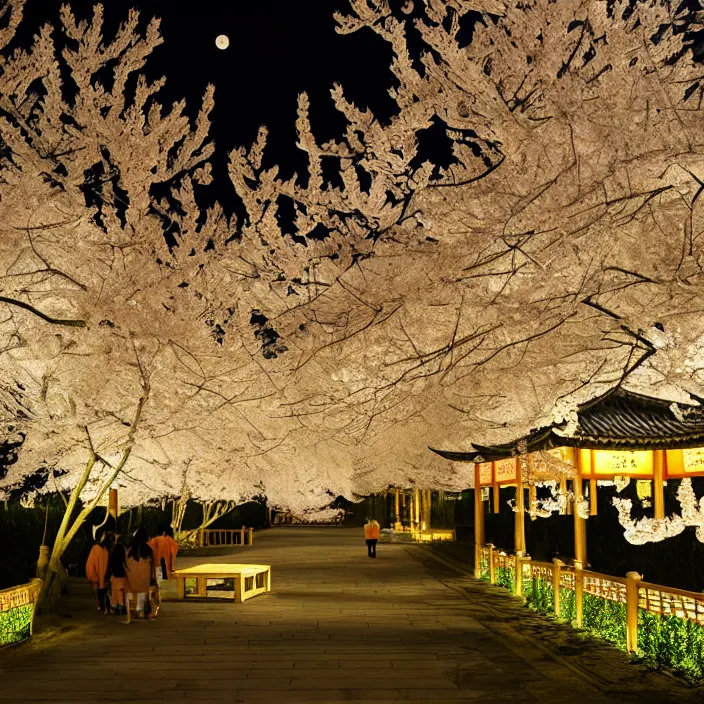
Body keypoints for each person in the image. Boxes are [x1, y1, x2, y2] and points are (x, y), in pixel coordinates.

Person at [125, 526, 156, 621]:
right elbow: (152, 565)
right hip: (144, 580)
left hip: (131, 580)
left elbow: (125, 563)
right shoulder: (148, 550)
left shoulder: (129, 550)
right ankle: (140, 611)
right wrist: (153, 577)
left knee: (133, 590)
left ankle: (132, 610)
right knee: (142, 591)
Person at [86, 529, 112, 613]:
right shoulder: (110, 549)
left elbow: (90, 564)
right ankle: (109, 608)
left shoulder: (96, 548)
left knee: (101, 593)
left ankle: (102, 607)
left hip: (99, 578)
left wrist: (93, 576)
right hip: (110, 578)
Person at [110, 541, 129, 616]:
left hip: (115, 577)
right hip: (122, 578)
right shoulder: (123, 559)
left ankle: (114, 606)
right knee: (121, 592)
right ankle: (122, 605)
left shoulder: (113, 559)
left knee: (115, 592)